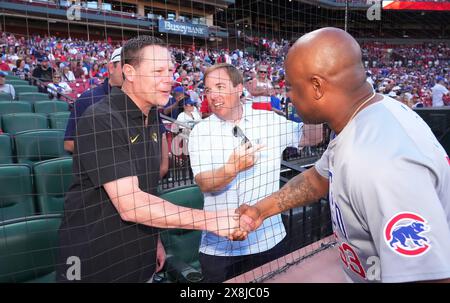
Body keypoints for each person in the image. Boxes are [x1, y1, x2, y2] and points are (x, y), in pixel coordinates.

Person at [236, 27, 450, 283]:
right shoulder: (368, 114)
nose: (287, 95)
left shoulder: (380, 162)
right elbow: (318, 179)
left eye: (291, 86)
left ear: (316, 86)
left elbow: (429, 277)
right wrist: (262, 210)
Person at [56, 36, 241, 283]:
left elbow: (147, 188)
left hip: (139, 258)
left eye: (170, 70)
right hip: (94, 262)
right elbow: (132, 205)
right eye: (158, 71)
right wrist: (213, 221)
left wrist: (153, 240)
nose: (169, 78)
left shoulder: (152, 115)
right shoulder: (101, 118)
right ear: (129, 72)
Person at [188, 63, 322, 283]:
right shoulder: (200, 131)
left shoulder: (268, 120)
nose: (213, 95)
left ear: (239, 88)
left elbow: (312, 138)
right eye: (208, 90)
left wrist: (310, 104)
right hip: (220, 249)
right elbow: (204, 183)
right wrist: (232, 169)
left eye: (220, 86)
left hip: (268, 240)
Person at [64, 47, 123, 153]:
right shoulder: (88, 98)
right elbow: (69, 144)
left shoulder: (142, 100)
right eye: (124, 66)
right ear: (111, 67)